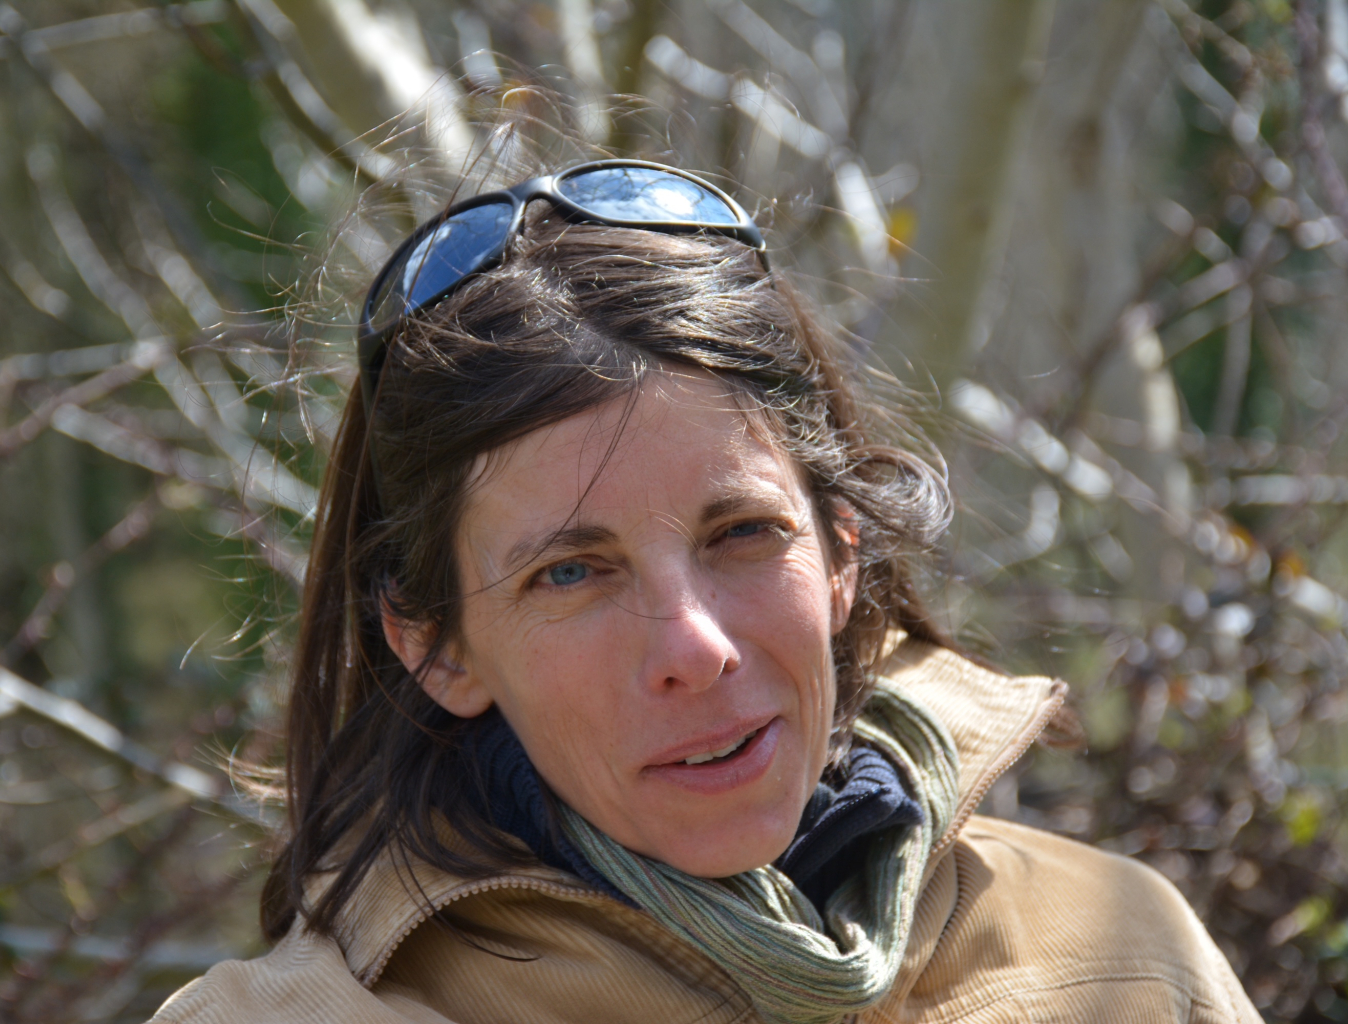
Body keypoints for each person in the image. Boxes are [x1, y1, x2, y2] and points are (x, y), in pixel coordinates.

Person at [149, 158, 1260, 1023]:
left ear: (842, 552)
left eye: (741, 533)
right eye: (571, 572)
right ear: (435, 643)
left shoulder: (1123, 956)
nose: (695, 646)